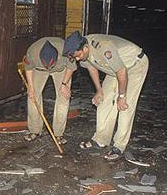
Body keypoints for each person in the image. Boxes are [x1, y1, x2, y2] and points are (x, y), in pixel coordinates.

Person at [61, 30, 149, 161]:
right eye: (75, 57)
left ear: (85, 48)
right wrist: (99, 90)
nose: (77, 59)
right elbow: (92, 68)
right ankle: (101, 139)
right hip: (115, 68)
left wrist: (121, 96)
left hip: (134, 65)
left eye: (78, 56)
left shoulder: (103, 47)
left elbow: (122, 71)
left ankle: (119, 145)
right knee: (103, 101)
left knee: (124, 106)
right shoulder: (82, 50)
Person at [23, 37, 77, 144]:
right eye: (48, 66)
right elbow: (28, 68)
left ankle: (58, 134)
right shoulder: (32, 52)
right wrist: (30, 87)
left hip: (61, 69)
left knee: (63, 97)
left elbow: (71, 67)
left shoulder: (66, 51)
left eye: (51, 65)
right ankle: (34, 130)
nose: (49, 69)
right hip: (39, 69)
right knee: (33, 96)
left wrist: (64, 84)